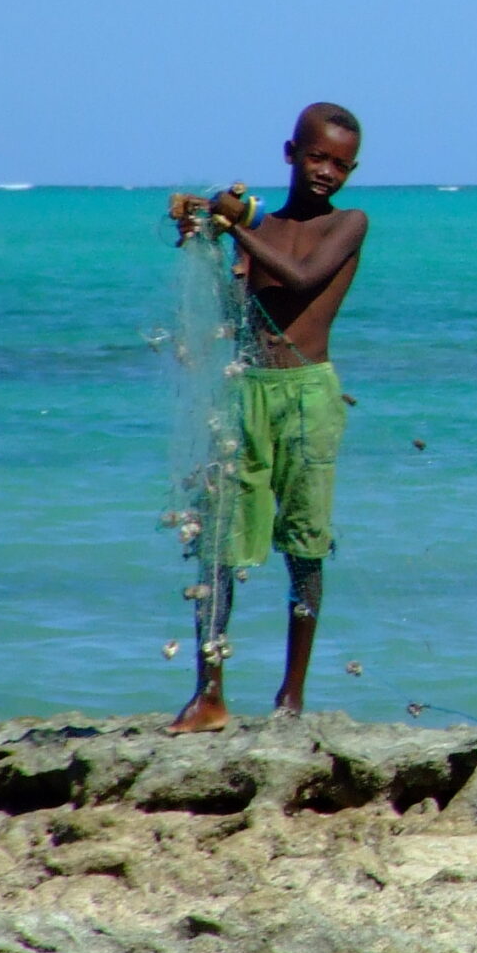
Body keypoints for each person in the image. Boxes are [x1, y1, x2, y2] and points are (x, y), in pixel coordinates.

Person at [163, 103, 369, 732]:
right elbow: (238, 313)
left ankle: (291, 698)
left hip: (309, 395)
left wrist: (235, 227)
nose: (326, 172)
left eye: (340, 163)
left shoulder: (350, 223)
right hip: (247, 387)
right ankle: (210, 694)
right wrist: (203, 237)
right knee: (220, 544)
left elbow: (303, 279)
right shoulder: (264, 226)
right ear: (290, 153)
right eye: (316, 157)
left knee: (305, 546)